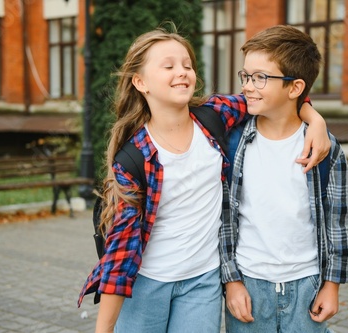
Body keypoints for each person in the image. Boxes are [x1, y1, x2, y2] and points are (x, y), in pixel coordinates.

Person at [76, 24, 331, 333]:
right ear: (141, 82)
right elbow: (120, 256)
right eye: (168, 66)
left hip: (203, 284)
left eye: (187, 65)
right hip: (146, 285)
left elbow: (275, 98)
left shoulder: (213, 117)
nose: (182, 71)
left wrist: (315, 119)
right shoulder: (134, 159)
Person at [222, 25, 348, 333]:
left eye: (260, 78)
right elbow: (223, 218)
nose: (248, 86)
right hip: (249, 286)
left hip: (307, 286)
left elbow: (338, 221)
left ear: (295, 88)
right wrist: (231, 281)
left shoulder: (326, 149)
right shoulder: (232, 142)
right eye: (245, 76)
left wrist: (332, 284)